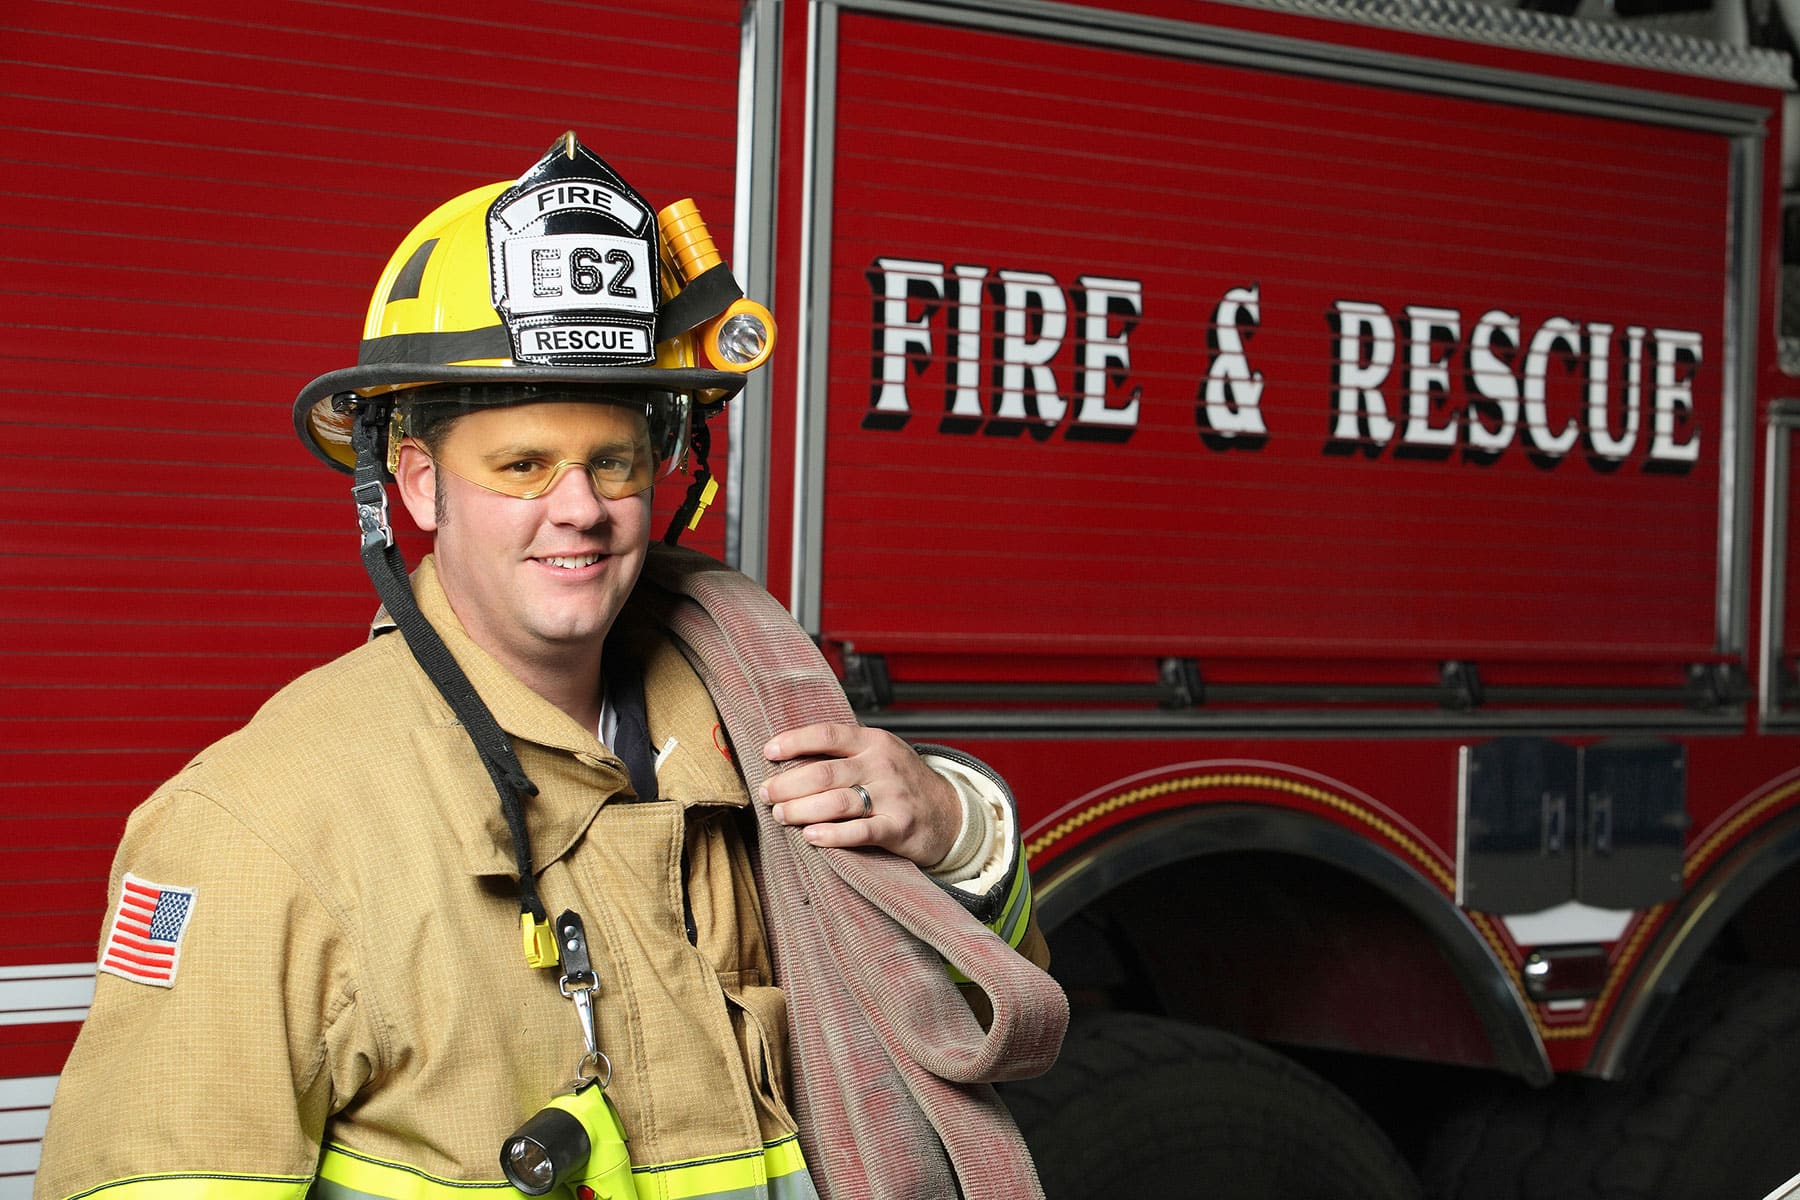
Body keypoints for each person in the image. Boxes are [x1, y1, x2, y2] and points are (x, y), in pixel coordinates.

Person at [34, 134, 1060, 1200]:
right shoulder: (263, 827)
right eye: (522, 465)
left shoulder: (754, 744)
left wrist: (957, 831)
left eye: (611, 461)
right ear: (422, 487)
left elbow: (953, 1016)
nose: (580, 507)